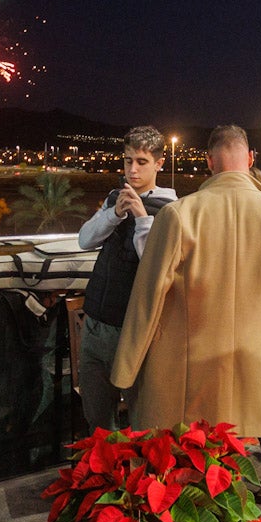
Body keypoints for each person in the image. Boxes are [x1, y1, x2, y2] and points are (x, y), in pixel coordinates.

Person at [111, 125, 261, 510]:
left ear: (210, 162)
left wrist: (124, 373)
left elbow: (146, 299)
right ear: (249, 160)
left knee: (203, 459)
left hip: (198, 369)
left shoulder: (180, 215)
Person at [75, 125, 177, 430]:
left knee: (141, 419)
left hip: (134, 332)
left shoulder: (170, 210)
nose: (132, 169)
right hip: (94, 325)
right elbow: (84, 240)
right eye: (128, 160)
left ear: (159, 164)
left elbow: (159, 269)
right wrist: (114, 213)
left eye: (142, 162)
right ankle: (104, 475)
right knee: (96, 419)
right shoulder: (114, 199)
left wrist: (143, 219)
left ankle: (138, 477)